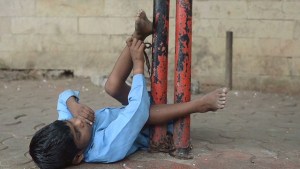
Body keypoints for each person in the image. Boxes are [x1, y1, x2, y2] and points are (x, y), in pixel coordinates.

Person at [29, 10, 228, 169]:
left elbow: (63, 98)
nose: (79, 121)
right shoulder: (106, 148)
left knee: (111, 86)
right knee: (146, 114)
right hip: (156, 125)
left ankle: (138, 36)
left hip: (136, 108)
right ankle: (200, 105)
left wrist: (72, 105)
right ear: (78, 157)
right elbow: (137, 113)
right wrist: (138, 65)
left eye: (70, 121)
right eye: (78, 131)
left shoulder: (68, 126)